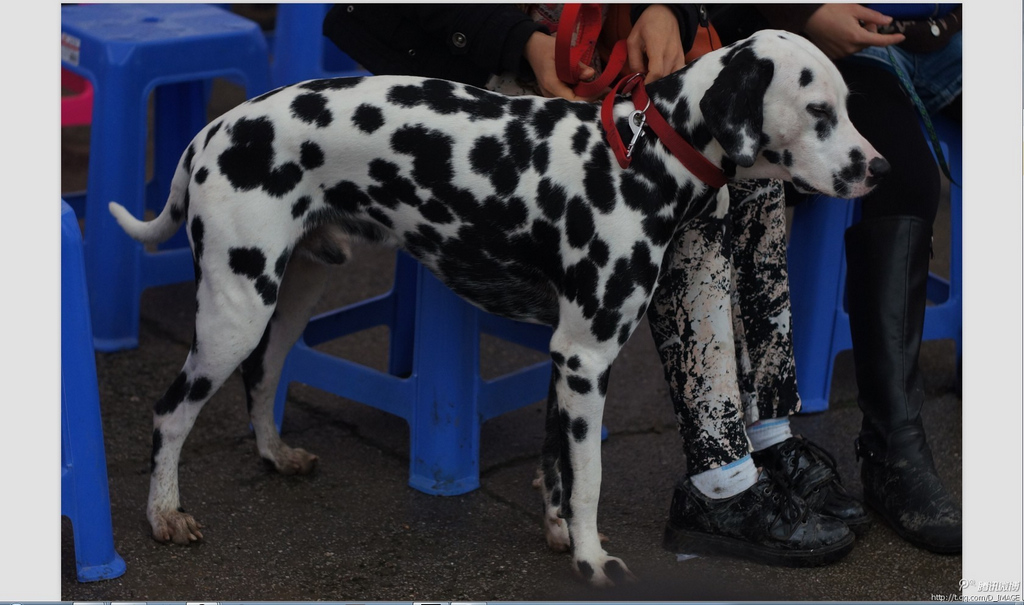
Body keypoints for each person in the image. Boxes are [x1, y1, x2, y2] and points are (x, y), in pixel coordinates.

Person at [322, 3, 863, 566]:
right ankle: (721, 471)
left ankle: (767, 433)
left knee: (749, 173)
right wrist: (520, 40)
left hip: (603, 62)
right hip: (472, 60)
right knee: (686, 186)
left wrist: (667, 9)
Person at [712, 3, 963, 554]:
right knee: (906, 178)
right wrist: (806, 11)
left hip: (949, 40)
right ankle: (892, 450)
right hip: (837, 49)